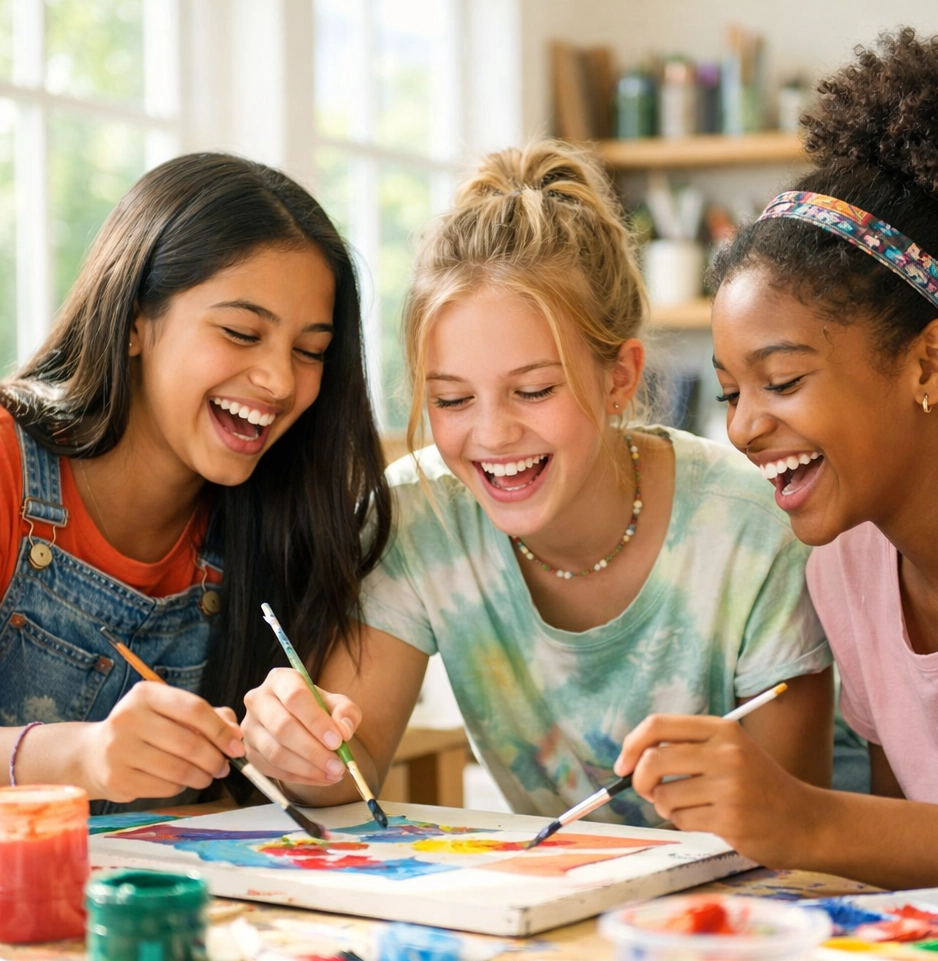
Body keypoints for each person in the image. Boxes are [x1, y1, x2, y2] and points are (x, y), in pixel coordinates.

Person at [241, 140, 834, 827]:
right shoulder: (419, 513)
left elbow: (793, 832)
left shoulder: (750, 525)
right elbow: (350, 771)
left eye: (532, 390)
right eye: (454, 401)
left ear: (620, 378)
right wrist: (297, 747)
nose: (492, 435)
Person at [616, 30, 938, 886]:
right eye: (731, 392)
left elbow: (858, 832)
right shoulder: (850, 564)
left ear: (931, 363)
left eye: (784, 380)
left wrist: (807, 818)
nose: (743, 428)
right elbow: (909, 857)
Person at [0, 153, 391, 811]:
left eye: (310, 351)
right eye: (241, 332)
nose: (280, 381)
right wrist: (82, 757)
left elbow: (283, 801)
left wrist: (298, 746)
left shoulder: (284, 521)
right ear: (132, 322)